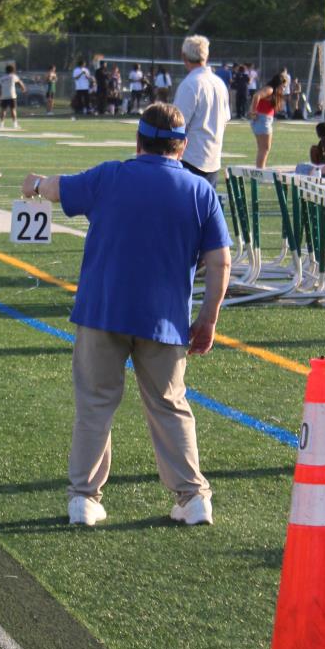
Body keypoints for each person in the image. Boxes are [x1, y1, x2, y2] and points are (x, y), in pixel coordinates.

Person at [21, 102, 231, 528]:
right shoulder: (200, 191)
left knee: (95, 405)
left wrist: (37, 184)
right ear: (182, 146)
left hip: (102, 311)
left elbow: (59, 189)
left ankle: (84, 498)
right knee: (170, 406)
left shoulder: (110, 176)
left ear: (138, 141)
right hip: (165, 319)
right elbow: (220, 261)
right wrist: (209, 318)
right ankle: (192, 497)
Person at [173, 34, 230, 187]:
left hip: (190, 159)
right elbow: (225, 121)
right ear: (206, 56)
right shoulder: (219, 84)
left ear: (184, 56)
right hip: (213, 160)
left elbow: (177, 125)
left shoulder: (190, 84)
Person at [249, 70, 287, 168]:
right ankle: (260, 170)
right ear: (278, 84)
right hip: (263, 120)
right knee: (265, 148)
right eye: (283, 86)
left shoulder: (273, 91)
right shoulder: (270, 89)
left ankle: (260, 169)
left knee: (263, 148)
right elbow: (256, 96)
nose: (284, 88)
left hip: (264, 120)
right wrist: (253, 111)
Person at [0, 63, 26, 128]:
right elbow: (20, 83)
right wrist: (23, 89)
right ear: (13, 70)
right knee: (13, 110)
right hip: (12, 95)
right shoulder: (14, 76)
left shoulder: (2, 78)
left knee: (3, 110)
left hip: (4, 96)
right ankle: (15, 124)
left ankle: (1, 124)